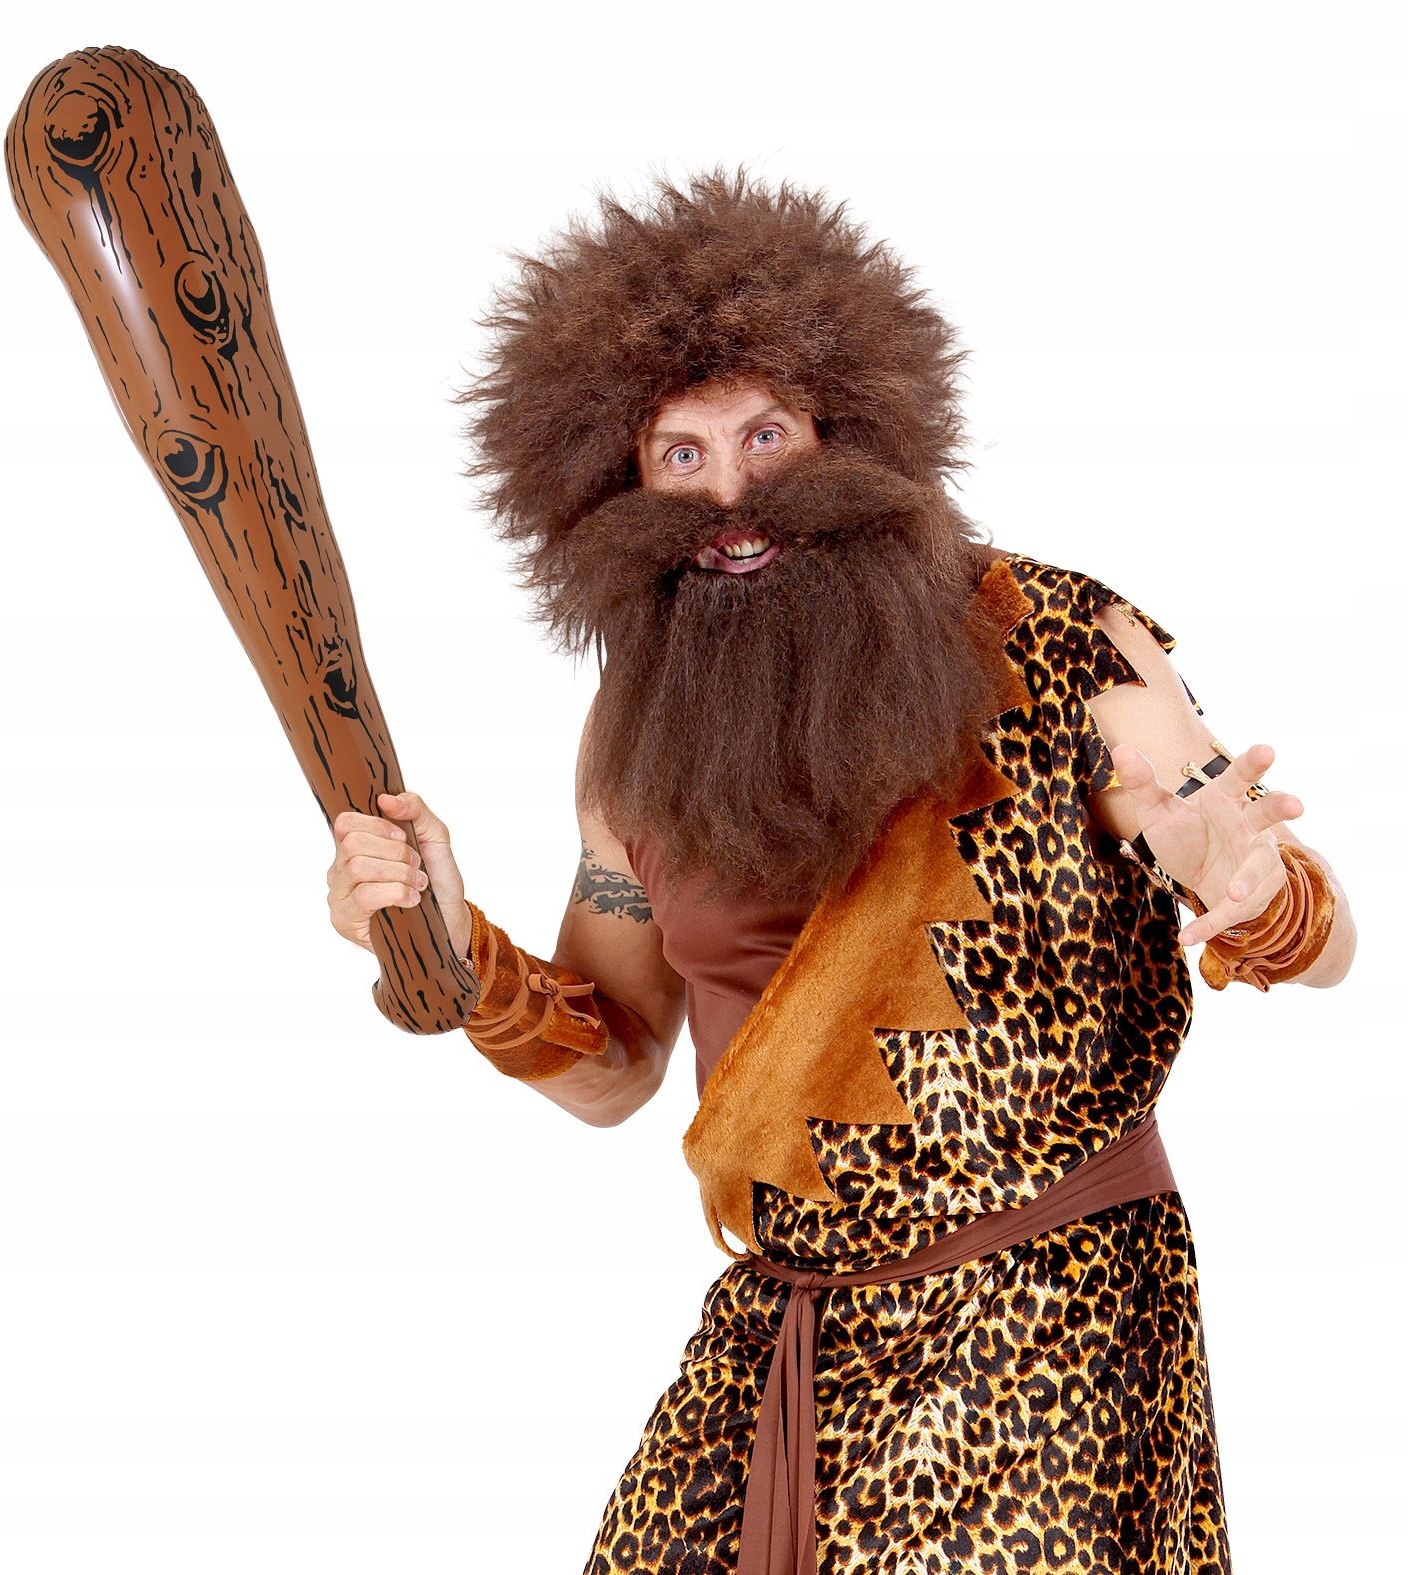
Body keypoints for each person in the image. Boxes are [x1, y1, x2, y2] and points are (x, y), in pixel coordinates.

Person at [324, 172, 1355, 1574]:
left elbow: (1275, 891)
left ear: (848, 431)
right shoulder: (635, 740)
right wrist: (459, 955)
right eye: (680, 454)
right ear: (617, 488)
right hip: (784, 1328)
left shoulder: (1052, 639)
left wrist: (1262, 895)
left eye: (765, 435)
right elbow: (616, 1063)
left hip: (1047, 1320)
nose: (730, 494)